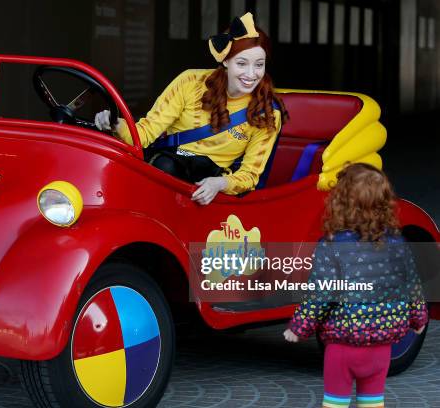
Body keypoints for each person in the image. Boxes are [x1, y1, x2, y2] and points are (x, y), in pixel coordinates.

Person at [95, 12, 287, 205]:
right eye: (242, 63)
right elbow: (144, 134)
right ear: (225, 60)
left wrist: (219, 183)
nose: (251, 74)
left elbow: (250, 176)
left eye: (259, 65)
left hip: (209, 184)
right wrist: (115, 124)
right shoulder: (190, 82)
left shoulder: (267, 112)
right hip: (167, 166)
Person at [283, 163, 428, 408]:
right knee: (372, 402)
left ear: (340, 203)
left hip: (343, 346)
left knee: (335, 403)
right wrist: (419, 318)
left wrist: (299, 327)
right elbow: (412, 285)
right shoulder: (398, 243)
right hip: (382, 347)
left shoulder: (331, 245)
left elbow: (321, 292)